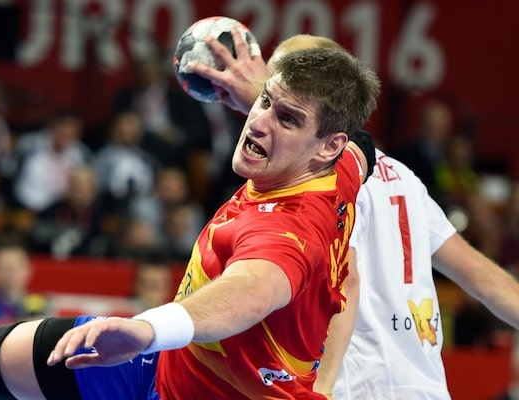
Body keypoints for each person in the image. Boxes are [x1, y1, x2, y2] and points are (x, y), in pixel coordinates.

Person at [0, 46, 380, 400]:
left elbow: (252, 290)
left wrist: (149, 329)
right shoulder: (348, 165)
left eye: (286, 117)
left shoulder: (285, 233)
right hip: (167, 370)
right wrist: (322, 387)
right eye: (264, 104)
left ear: (326, 144)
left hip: (188, 389)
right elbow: (345, 280)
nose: (259, 122)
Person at [196, 32, 519, 399]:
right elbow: (484, 279)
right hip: (424, 388)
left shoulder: (322, 180)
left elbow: (348, 279)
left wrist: (321, 391)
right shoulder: (401, 175)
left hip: (355, 386)